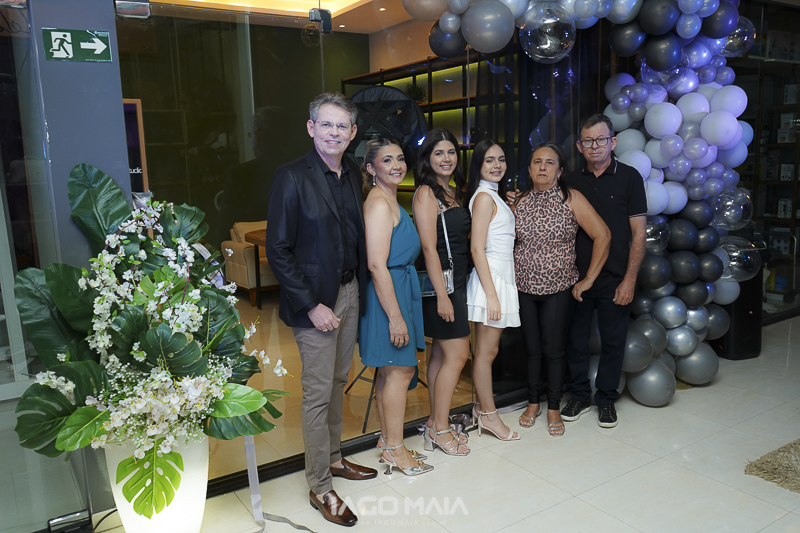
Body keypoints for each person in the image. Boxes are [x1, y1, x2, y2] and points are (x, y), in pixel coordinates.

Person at [265, 93, 377, 527]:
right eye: (325, 124)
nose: (334, 133)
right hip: (315, 302)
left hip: (349, 290)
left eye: (342, 126)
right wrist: (312, 305)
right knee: (316, 394)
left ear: (353, 133)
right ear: (311, 128)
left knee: (336, 382)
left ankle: (333, 457)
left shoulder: (352, 174)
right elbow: (278, 249)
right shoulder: (291, 176)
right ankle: (320, 486)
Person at [513, 143, 610, 437]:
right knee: (532, 350)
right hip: (523, 287)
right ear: (529, 169)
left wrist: (588, 279)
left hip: (558, 288)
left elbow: (603, 235)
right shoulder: (519, 202)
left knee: (554, 351)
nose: (542, 167)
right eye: (537, 162)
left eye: (550, 162)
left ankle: (553, 407)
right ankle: (533, 402)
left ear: (560, 170)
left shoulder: (572, 198)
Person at [561, 114, 647, 429]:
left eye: (601, 139)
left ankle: (607, 400)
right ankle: (579, 396)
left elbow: (639, 234)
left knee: (613, 343)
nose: (594, 146)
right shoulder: (571, 180)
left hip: (615, 278)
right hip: (576, 280)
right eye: (588, 141)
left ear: (613, 142)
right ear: (579, 146)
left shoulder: (630, 177)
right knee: (575, 342)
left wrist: (630, 280)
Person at [358, 137, 433, 476]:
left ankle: (387, 442)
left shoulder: (391, 198)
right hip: (387, 295)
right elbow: (376, 264)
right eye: (387, 160)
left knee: (390, 372)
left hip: (399, 288)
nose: (397, 166)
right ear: (371, 168)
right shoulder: (378, 203)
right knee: (399, 372)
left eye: (400, 159)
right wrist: (395, 318)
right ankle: (396, 449)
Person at [413, 128, 471, 457]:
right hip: (443, 286)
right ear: (428, 159)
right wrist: (443, 296)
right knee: (458, 355)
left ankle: (436, 422)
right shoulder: (426, 193)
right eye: (439, 153)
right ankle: (439, 428)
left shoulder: (453, 191)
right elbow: (429, 248)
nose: (446, 158)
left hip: (456, 281)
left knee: (440, 355)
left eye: (451, 152)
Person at [464, 139, 521, 441]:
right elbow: (477, 248)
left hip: (500, 275)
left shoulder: (492, 195)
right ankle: (489, 415)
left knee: (488, 351)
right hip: (492, 278)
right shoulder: (485, 197)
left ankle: (480, 408)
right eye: (489, 160)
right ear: (479, 165)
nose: (497, 165)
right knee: (486, 354)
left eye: (501, 159)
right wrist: (492, 295)